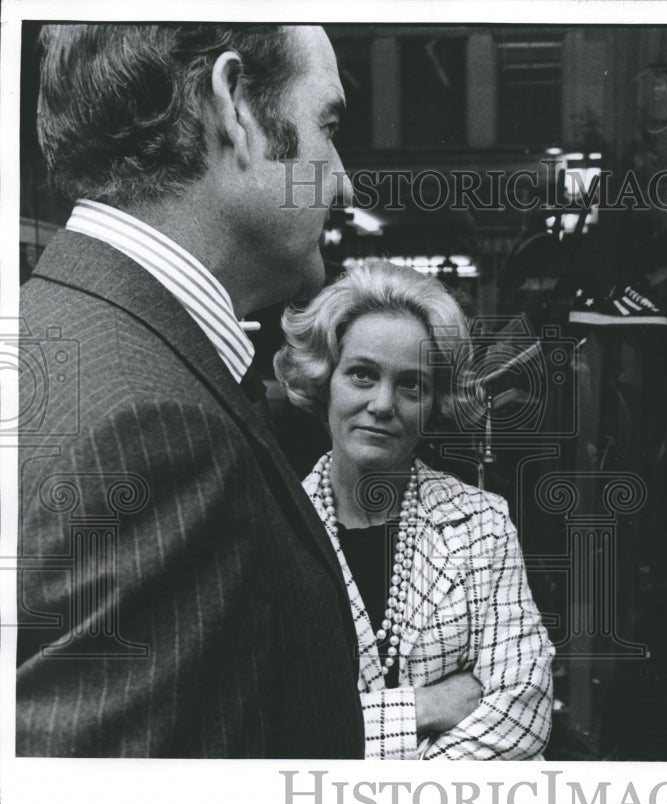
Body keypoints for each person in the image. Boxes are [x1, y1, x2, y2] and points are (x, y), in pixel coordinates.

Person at [18, 24, 364, 757]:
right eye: (327, 128)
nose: (342, 178)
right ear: (234, 104)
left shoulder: (50, 334)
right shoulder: (153, 431)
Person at [274, 260, 555, 759]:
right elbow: (269, 726)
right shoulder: (273, 528)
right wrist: (424, 708)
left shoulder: (482, 525)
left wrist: (393, 789)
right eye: (362, 375)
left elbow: (524, 710)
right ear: (324, 380)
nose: (383, 404)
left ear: (435, 403)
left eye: (411, 385)